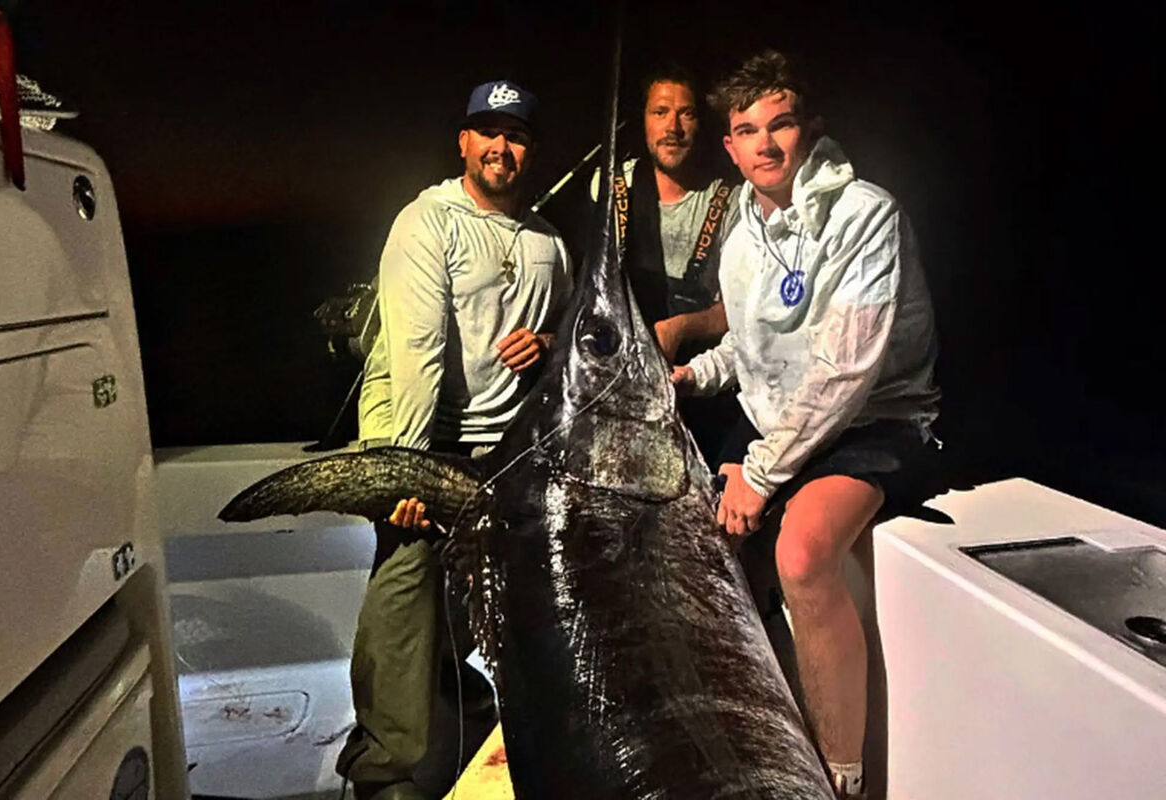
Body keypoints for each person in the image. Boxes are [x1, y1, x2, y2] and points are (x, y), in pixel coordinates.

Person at [672, 50, 941, 798]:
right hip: (783, 422)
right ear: (729, 147)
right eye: (746, 130)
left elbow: (844, 369)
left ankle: (838, 778)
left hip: (875, 421)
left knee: (802, 554)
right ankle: (751, 734)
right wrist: (693, 376)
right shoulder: (742, 236)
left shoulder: (867, 215)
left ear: (810, 129)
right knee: (698, 547)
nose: (764, 144)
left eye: (780, 124)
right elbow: (750, 349)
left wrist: (761, 475)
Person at [343, 79, 573, 800]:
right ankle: (384, 770)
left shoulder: (550, 243)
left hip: (506, 457)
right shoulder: (426, 223)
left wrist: (548, 344)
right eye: (489, 132)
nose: (502, 147)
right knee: (404, 598)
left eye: (517, 135)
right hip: (425, 442)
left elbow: (566, 341)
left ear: (530, 150)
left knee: (490, 607)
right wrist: (405, 472)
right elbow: (417, 356)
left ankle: (463, 709)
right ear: (464, 142)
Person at [590, 63, 741, 465]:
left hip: (699, 391)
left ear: (700, 123)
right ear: (643, 119)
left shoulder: (731, 200)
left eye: (685, 114)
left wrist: (680, 327)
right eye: (660, 112)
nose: (672, 127)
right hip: (622, 387)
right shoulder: (610, 186)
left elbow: (740, 312)